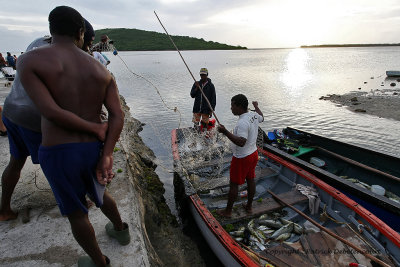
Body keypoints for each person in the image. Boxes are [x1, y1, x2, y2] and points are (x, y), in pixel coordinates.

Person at [18, 6, 129, 267]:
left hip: (59, 151)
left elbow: (50, 111)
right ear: (81, 32)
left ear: (50, 29)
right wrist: (107, 153)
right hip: (93, 150)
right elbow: (117, 115)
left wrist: (94, 131)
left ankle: (99, 262)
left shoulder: (29, 61)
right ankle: (121, 230)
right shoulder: (102, 71)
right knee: (100, 192)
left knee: (78, 213)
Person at [0, 20, 100, 222]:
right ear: (78, 35)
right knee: (57, 163)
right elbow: (63, 106)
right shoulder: (68, 59)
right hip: (34, 120)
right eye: (88, 43)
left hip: (11, 111)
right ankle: (74, 204)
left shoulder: (37, 43)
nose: (87, 49)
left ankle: (4, 209)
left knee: (16, 161)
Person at [216, 94, 264, 217]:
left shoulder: (242, 122)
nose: (231, 108)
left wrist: (225, 131)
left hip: (242, 158)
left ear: (239, 106)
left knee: (234, 184)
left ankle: (228, 211)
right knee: (250, 180)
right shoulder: (253, 115)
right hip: (253, 154)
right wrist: (256, 106)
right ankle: (248, 207)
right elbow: (262, 117)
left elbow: (241, 142)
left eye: (232, 105)